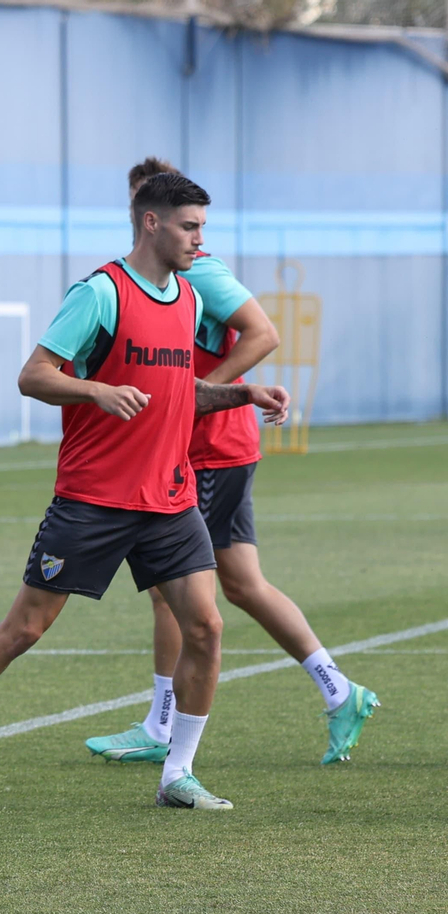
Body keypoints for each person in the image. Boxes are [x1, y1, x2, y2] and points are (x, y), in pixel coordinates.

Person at [0, 173, 290, 814]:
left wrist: (241, 393)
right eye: (190, 227)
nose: (199, 240)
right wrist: (95, 390)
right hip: (94, 499)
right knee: (24, 628)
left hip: (168, 497)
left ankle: (177, 774)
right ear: (151, 223)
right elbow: (33, 375)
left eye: (203, 227)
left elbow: (178, 391)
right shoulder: (100, 293)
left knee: (207, 627)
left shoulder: (188, 297)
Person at [85, 158, 379, 767]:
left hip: (213, 449)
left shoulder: (202, 272)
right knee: (240, 585)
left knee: (176, 594)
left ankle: (162, 726)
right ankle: (339, 691)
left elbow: (263, 333)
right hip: (214, 449)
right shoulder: (145, 277)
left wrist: (193, 395)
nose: (180, 230)